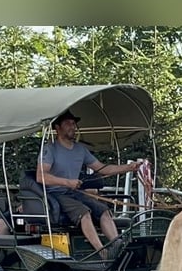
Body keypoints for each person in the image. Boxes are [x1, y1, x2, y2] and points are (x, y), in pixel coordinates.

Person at [34, 109, 141, 258]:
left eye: (74, 123)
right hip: (55, 194)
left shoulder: (80, 150)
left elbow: (103, 169)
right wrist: (67, 182)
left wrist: (128, 167)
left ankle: (117, 245)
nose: (73, 127)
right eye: (68, 124)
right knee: (84, 213)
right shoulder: (50, 149)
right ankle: (102, 252)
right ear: (57, 128)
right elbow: (41, 177)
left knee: (103, 210)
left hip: (73, 193)